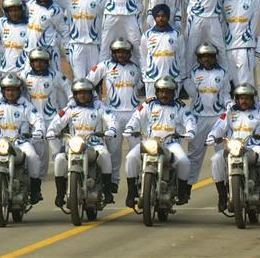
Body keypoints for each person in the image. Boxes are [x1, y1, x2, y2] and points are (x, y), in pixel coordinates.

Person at [123, 76, 195, 208]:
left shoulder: (180, 107)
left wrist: (190, 132)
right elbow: (135, 118)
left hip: (171, 144)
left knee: (184, 161)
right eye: (161, 91)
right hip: (150, 142)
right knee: (131, 158)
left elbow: (190, 120)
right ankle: (131, 191)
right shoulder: (148, 104)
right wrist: (130, 128)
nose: (164, 94)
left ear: (173, 92)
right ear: (156, 92)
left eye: (168, 91)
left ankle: (182, 192)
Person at [0, 74, 45, 206]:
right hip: (0, 143)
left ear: (19, 90)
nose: (10, 93)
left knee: (33, 157)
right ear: (3, 91)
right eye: (7, 90)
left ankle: (35, 189)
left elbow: (37, 119)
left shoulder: (26, 105)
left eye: (13, 90)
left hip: (21, 142)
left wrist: (39, 131)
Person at [206, 83, 260, 211]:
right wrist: (212, 136)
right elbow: (220, 126)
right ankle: (222, 195)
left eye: (247, 98)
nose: (244, 101)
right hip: (233, 147)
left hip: (253, 147)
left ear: (252, 99)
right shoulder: (230, 111)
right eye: (241, 98)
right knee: (215, 159)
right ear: (236, 99)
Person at [47, 79, 118, 206]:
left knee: (105, 155)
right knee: (59, 159)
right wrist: (52, 131)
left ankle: (108, 192)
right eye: (79, 93)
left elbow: (111, 119)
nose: (82, 95)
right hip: (74, 145)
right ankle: (60, 194)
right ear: (75, 94)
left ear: (91, 93)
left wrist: (111, 129)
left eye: (85, 92)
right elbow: (56, 122)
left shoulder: (99, 107)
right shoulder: (70, 108)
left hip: (95, 145)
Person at [87, 38, 142, 192]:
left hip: (133, 113)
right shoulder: (105, 66)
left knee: (137, 150)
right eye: (118, 52)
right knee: (113, 151)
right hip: (114, 114)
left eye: (124, 52)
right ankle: (113, 182)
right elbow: (87, 83)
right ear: (113, 53)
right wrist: (97, 101)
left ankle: (139, 180)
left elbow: (143, 85)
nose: (121, 55)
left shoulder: (137, 68)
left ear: (129, 53)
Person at [19, 47, 72, 183]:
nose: (39, 64)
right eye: (36, 61)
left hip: (52, 119)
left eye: (42, 61)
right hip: (34, 121)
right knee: (39, 153)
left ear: (47, 62)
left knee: (58, 152)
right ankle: (39, 181)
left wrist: (70, 105)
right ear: (31, 62)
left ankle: (63, 179)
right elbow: (13, 89)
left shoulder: (55, 75)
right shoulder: (24, 76)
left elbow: (68, 88)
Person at [182, 44, 231, 187]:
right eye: (203, 57)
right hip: (198, 117)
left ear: (214, 57)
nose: (207, 59)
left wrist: (229, 104)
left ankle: (226, 188)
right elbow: (190, 91)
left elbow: (226, 93)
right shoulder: (193, 74)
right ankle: (187, 188)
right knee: (194, 155)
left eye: (209, 56)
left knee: (222, 155)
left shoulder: (223, 73)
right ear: (199, 58)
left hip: (218, 118)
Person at [51, 0, 107, 80]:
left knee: (95, 80)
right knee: (79, 80)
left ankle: (96, 99)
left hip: (95, 45)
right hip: (75, 45)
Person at [139, 4, 186, 99]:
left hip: (173, 78)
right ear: (154, 18)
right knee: (152, 109)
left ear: (168, 17)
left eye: (163, 16)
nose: (161, 18)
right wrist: (144, 75)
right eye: (158, 16)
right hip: (152, 78)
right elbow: (143, 57)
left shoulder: (177, 35)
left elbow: (182, 57)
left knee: (173, 108)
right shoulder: (147, 35)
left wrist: (182, 77)